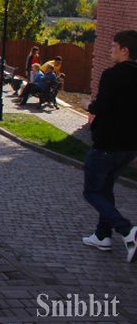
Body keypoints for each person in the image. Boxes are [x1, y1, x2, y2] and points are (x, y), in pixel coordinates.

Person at [82, 30, 137, 263]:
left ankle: (127, 231)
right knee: (105, 190)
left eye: (114, 46)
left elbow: (101, 107)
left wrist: (88, 105)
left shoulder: (112, 75)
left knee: (92, 191)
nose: (110, 50)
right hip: (130, 147)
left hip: (107, 145)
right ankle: (102, 236)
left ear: (125, 50)